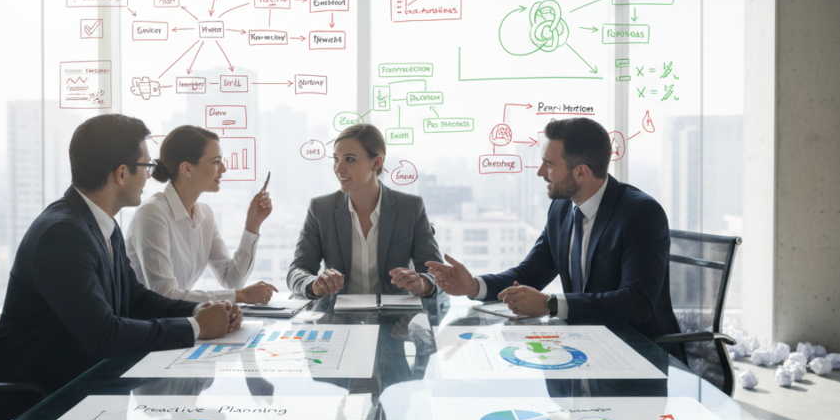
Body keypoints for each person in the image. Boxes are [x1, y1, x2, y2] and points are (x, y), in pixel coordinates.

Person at [0, 114, 241, 420]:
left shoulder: (102, 223)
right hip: (39, 410)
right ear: (121, 173)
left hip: (79, 396)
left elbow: (135, 299)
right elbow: (104, 336)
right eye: (145, 166)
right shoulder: (63, 235)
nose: (150, 174)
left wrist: (202, 310)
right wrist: (195, 328)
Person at [426, 117, 682, 344]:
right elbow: (530, 273)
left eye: (548, 164)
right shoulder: (561, 209)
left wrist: (550, 304)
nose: (540, 172)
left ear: (581, 172)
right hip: (586, 345)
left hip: (638, 352)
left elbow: (637, 303)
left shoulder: (641, 214)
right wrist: (474, 286)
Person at [126, 124, 278, 305]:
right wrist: (239, 296)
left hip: (177, 320)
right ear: (187, 169)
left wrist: (253, 225)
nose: (223, 169)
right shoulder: (152, 213)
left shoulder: (205, 214)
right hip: (147, 324)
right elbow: (164, 294)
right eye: (215, 162)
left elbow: (232, 280)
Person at [287, 123, 442, 298]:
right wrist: (313, 285)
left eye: (350, 159)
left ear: (376, 162)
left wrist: (422, 283)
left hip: (396, 320)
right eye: (336, 159)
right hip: (338, 318)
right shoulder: (321, 209)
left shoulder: (410, 207)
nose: (338, 169)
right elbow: (297, 270)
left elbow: (437, 272)